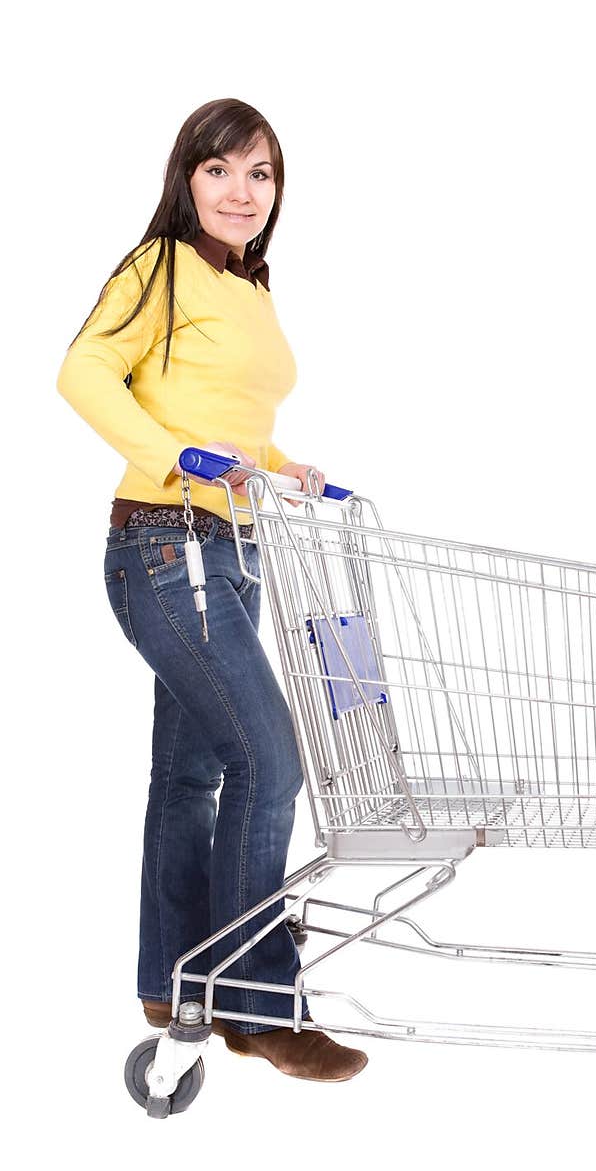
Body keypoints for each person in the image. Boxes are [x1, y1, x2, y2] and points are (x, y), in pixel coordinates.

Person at [56, 98, 367, 1084]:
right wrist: (175, 458)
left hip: (235, 548)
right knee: (267, 760)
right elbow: (83, 372)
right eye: (221, 170)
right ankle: (257, 1003)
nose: (242, 192)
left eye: (261, 174)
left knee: (193, 775)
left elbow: (220, 416)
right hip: (159, 544)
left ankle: (173, 980)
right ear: (186, 176)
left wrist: (280, 463)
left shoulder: (250, 289)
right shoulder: (157, 268)